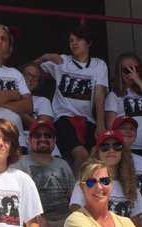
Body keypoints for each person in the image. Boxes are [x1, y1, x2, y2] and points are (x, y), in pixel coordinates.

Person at [35, 26, 110, 172]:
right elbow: (29, 71)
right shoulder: (62, 61)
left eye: (79, 39)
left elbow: (100, 94)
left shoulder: (99, 64)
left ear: (89, 42)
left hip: (87, 120)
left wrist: (100, 124)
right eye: (71, 40)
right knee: (81, 155)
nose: (74, 43)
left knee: (97, 159)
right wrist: (44, 57)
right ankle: (77, 194)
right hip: (63, 118)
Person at [14, 119, 76, 227]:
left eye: (47, 135)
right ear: (29, 140)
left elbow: (72, 197)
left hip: (64, 220)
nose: (43, 139)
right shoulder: (20, 162)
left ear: (54, 141)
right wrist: (39, 221)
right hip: (34, 220)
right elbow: (18, 200)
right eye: (37, 135)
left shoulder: (63, 164)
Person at [69, 129, 142, 227]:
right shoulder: (86, 182)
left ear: (122, 152)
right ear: (97, 152)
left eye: (117, 146)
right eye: (105, 147)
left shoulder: (132, 185)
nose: (111, 150)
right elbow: (77, 216)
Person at [104, 52, 142, 160]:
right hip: (125, 148)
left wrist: (139, 81)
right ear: (120, 72)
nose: (132, 74)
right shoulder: (114, 95)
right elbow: (110, 126)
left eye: (136, 69)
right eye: (127, 70)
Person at [112, 116, 142, 216]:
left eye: (132, 129)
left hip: (139, 220)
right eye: (123, 127)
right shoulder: (104, 160)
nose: (128, 131)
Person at [20, 61, 57, 152]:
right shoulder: (7, 97)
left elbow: (44, 128)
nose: (30, 79)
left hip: (39, 142)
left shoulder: (42, 101)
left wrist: (18, 110)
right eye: (27, 75)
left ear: (37, 84)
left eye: (34, 77)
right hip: (16, 143)